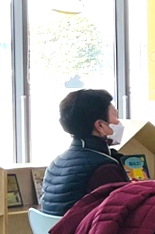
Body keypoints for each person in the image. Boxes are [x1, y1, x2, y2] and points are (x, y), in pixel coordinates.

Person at [39, 89, 128, 217]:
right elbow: (119, 215)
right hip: (81, 230)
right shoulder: (104, 168)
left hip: (52, 230)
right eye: (116, 116)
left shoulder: (56, 163)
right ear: (100, 126)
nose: (119, 122)